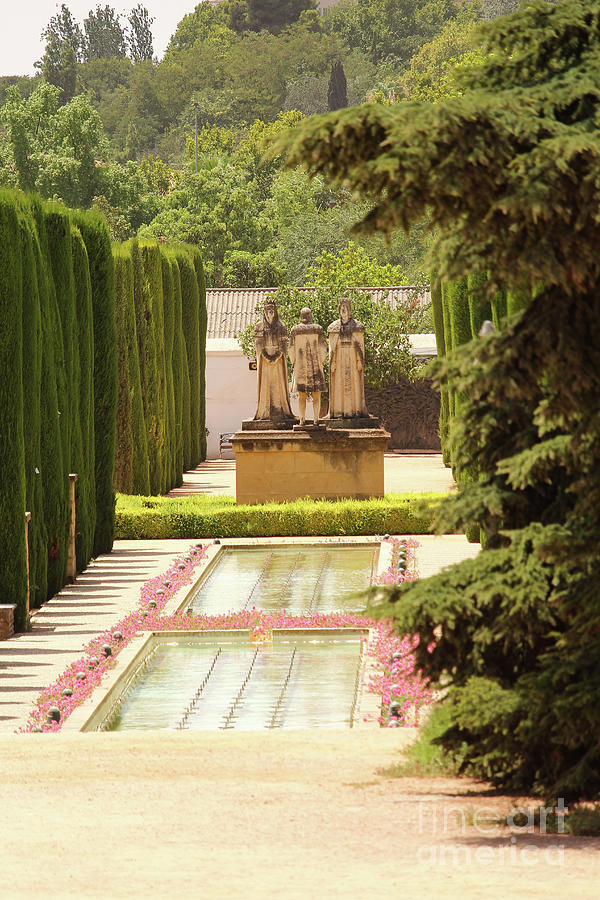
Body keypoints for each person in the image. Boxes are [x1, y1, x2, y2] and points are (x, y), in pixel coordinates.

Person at [252, 300, 296, 424]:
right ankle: (264, 411)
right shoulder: (259, 326)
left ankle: (281, 410)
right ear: (264, 311)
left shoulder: (281, 326)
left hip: (278, 361)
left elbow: (284, 346)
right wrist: (266, 357)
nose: (270, 311)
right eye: (268, 309)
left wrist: (277, 356)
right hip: (265, 362)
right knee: (265, 384)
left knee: (279, 385)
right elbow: (259, 347)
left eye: (272, 309)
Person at [327, 297, 368, 419]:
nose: (343, 310)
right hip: (339, 358)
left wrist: (359, 360)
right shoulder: (333, 327)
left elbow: (360, 346)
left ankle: (355, 410)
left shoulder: (357, 326)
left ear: (349, 310)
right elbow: (332, 347)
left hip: (352, 356)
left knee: (353, 384)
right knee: (339, 383)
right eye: (341, 308)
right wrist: (332, 361)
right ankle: (338, 411)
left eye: (346, 308)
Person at [288, 307, 327, 426]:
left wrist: (294, 361)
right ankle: (316, 420)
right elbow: (323, 348)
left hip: (300, 367)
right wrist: (321, 361)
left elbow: (290, 349)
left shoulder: (294, 330)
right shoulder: (318, 329)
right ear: (310, 316)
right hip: (315, 366)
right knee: (317, 395)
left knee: (302, 396)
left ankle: (302, 420)